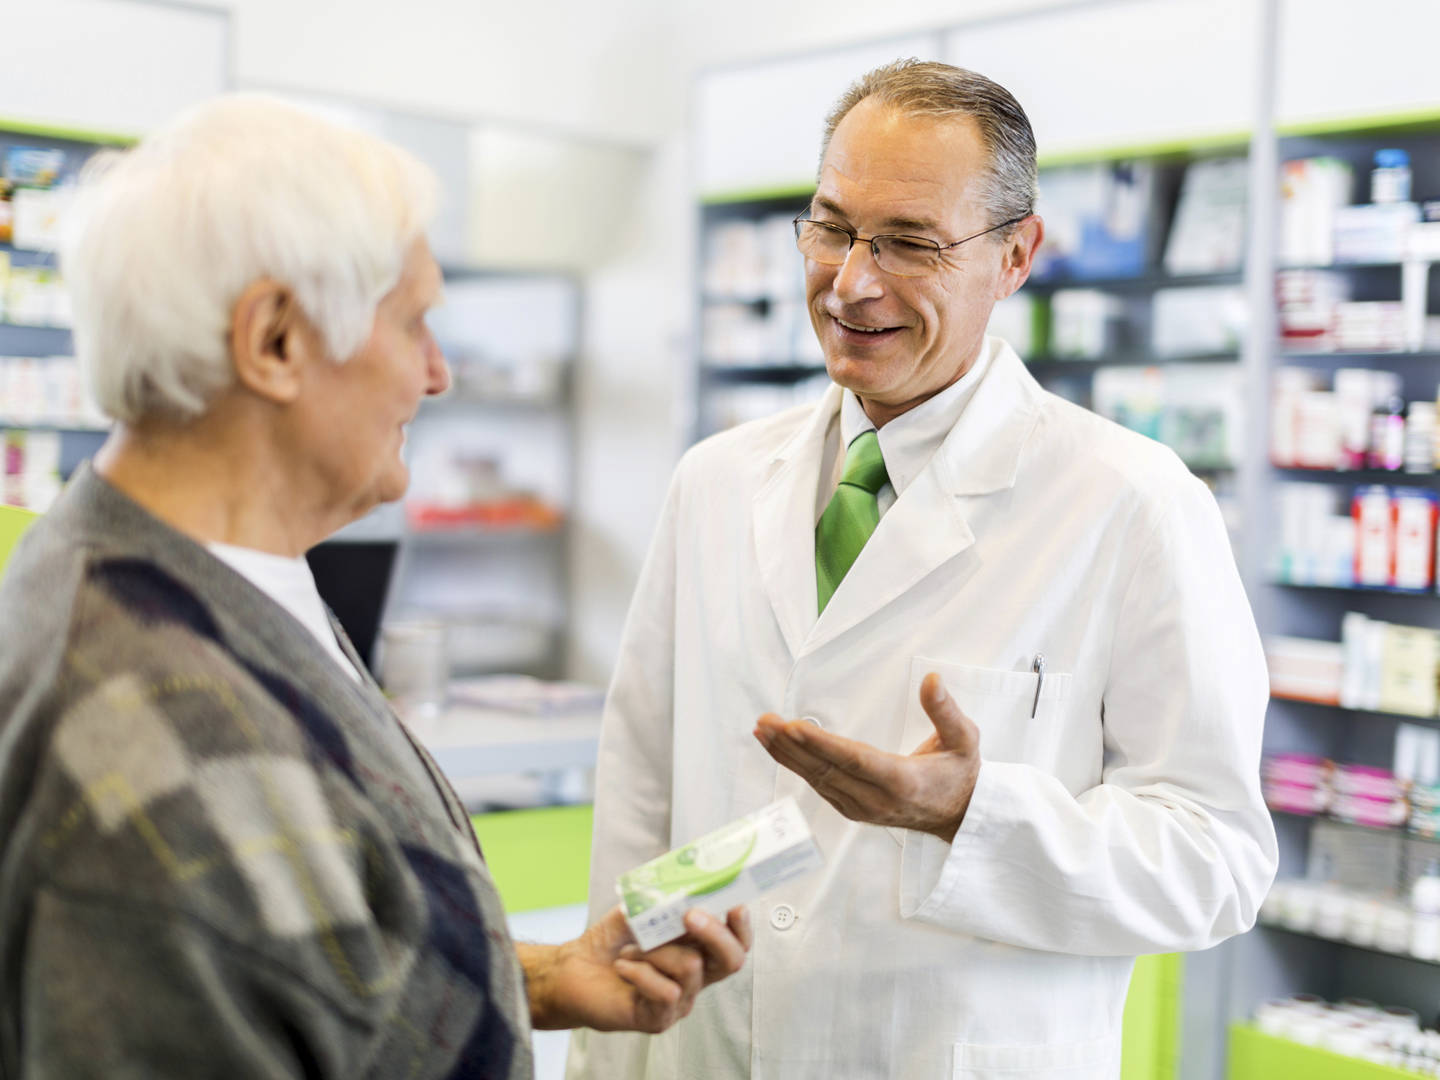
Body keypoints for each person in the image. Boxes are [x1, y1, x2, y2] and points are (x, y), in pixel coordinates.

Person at [0, 96, 751, 1079]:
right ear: (274, 341)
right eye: (414, 323)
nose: (438, 375)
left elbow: (289, 951)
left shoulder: (221, 581)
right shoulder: (138, 731)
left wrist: (534, 974)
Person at [572, 59, 1276, 1080]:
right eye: (831, 226)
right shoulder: (717, 482)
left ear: (1017, 255)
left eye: (909, 243)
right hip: (706, 1052)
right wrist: (611, 1049)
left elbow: (1217, 861)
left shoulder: (1133, 502)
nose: (853, 281)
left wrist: (967, 814)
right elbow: (644, 792)